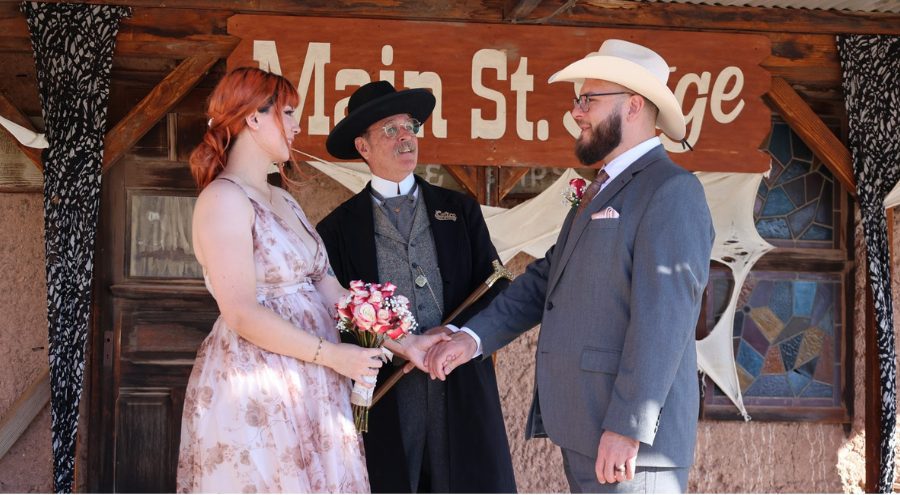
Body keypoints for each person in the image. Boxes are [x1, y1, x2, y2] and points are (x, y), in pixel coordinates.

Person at [425, 40, 715, 494]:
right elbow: (548, 279)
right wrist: (471, 338)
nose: (577, 113)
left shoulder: (671, 192)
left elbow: (665, 320)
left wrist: (628, 426)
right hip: (588, 431)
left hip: (631, 448)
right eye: (577, 100)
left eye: (588, 100)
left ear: (633, 105)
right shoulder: (603, 188)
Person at [176, 67, 438, 493]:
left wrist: (404, 343)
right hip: (261, 384)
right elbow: (240, 312)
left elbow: (331, 289)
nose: (299, 126)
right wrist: (332, 356)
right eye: (289, 113)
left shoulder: (283, 199)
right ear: (253, 118)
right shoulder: (222, 200)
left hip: (314, 381)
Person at [316, 80, 517, 493]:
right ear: (363, 147)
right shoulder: (336, 230)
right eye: (390, 130)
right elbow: (330, 316)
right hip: (388, 399)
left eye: (409, 126)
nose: (406, 136)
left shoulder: (458, 211)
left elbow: (496, 286)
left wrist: (457, 332)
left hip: (458, 389)